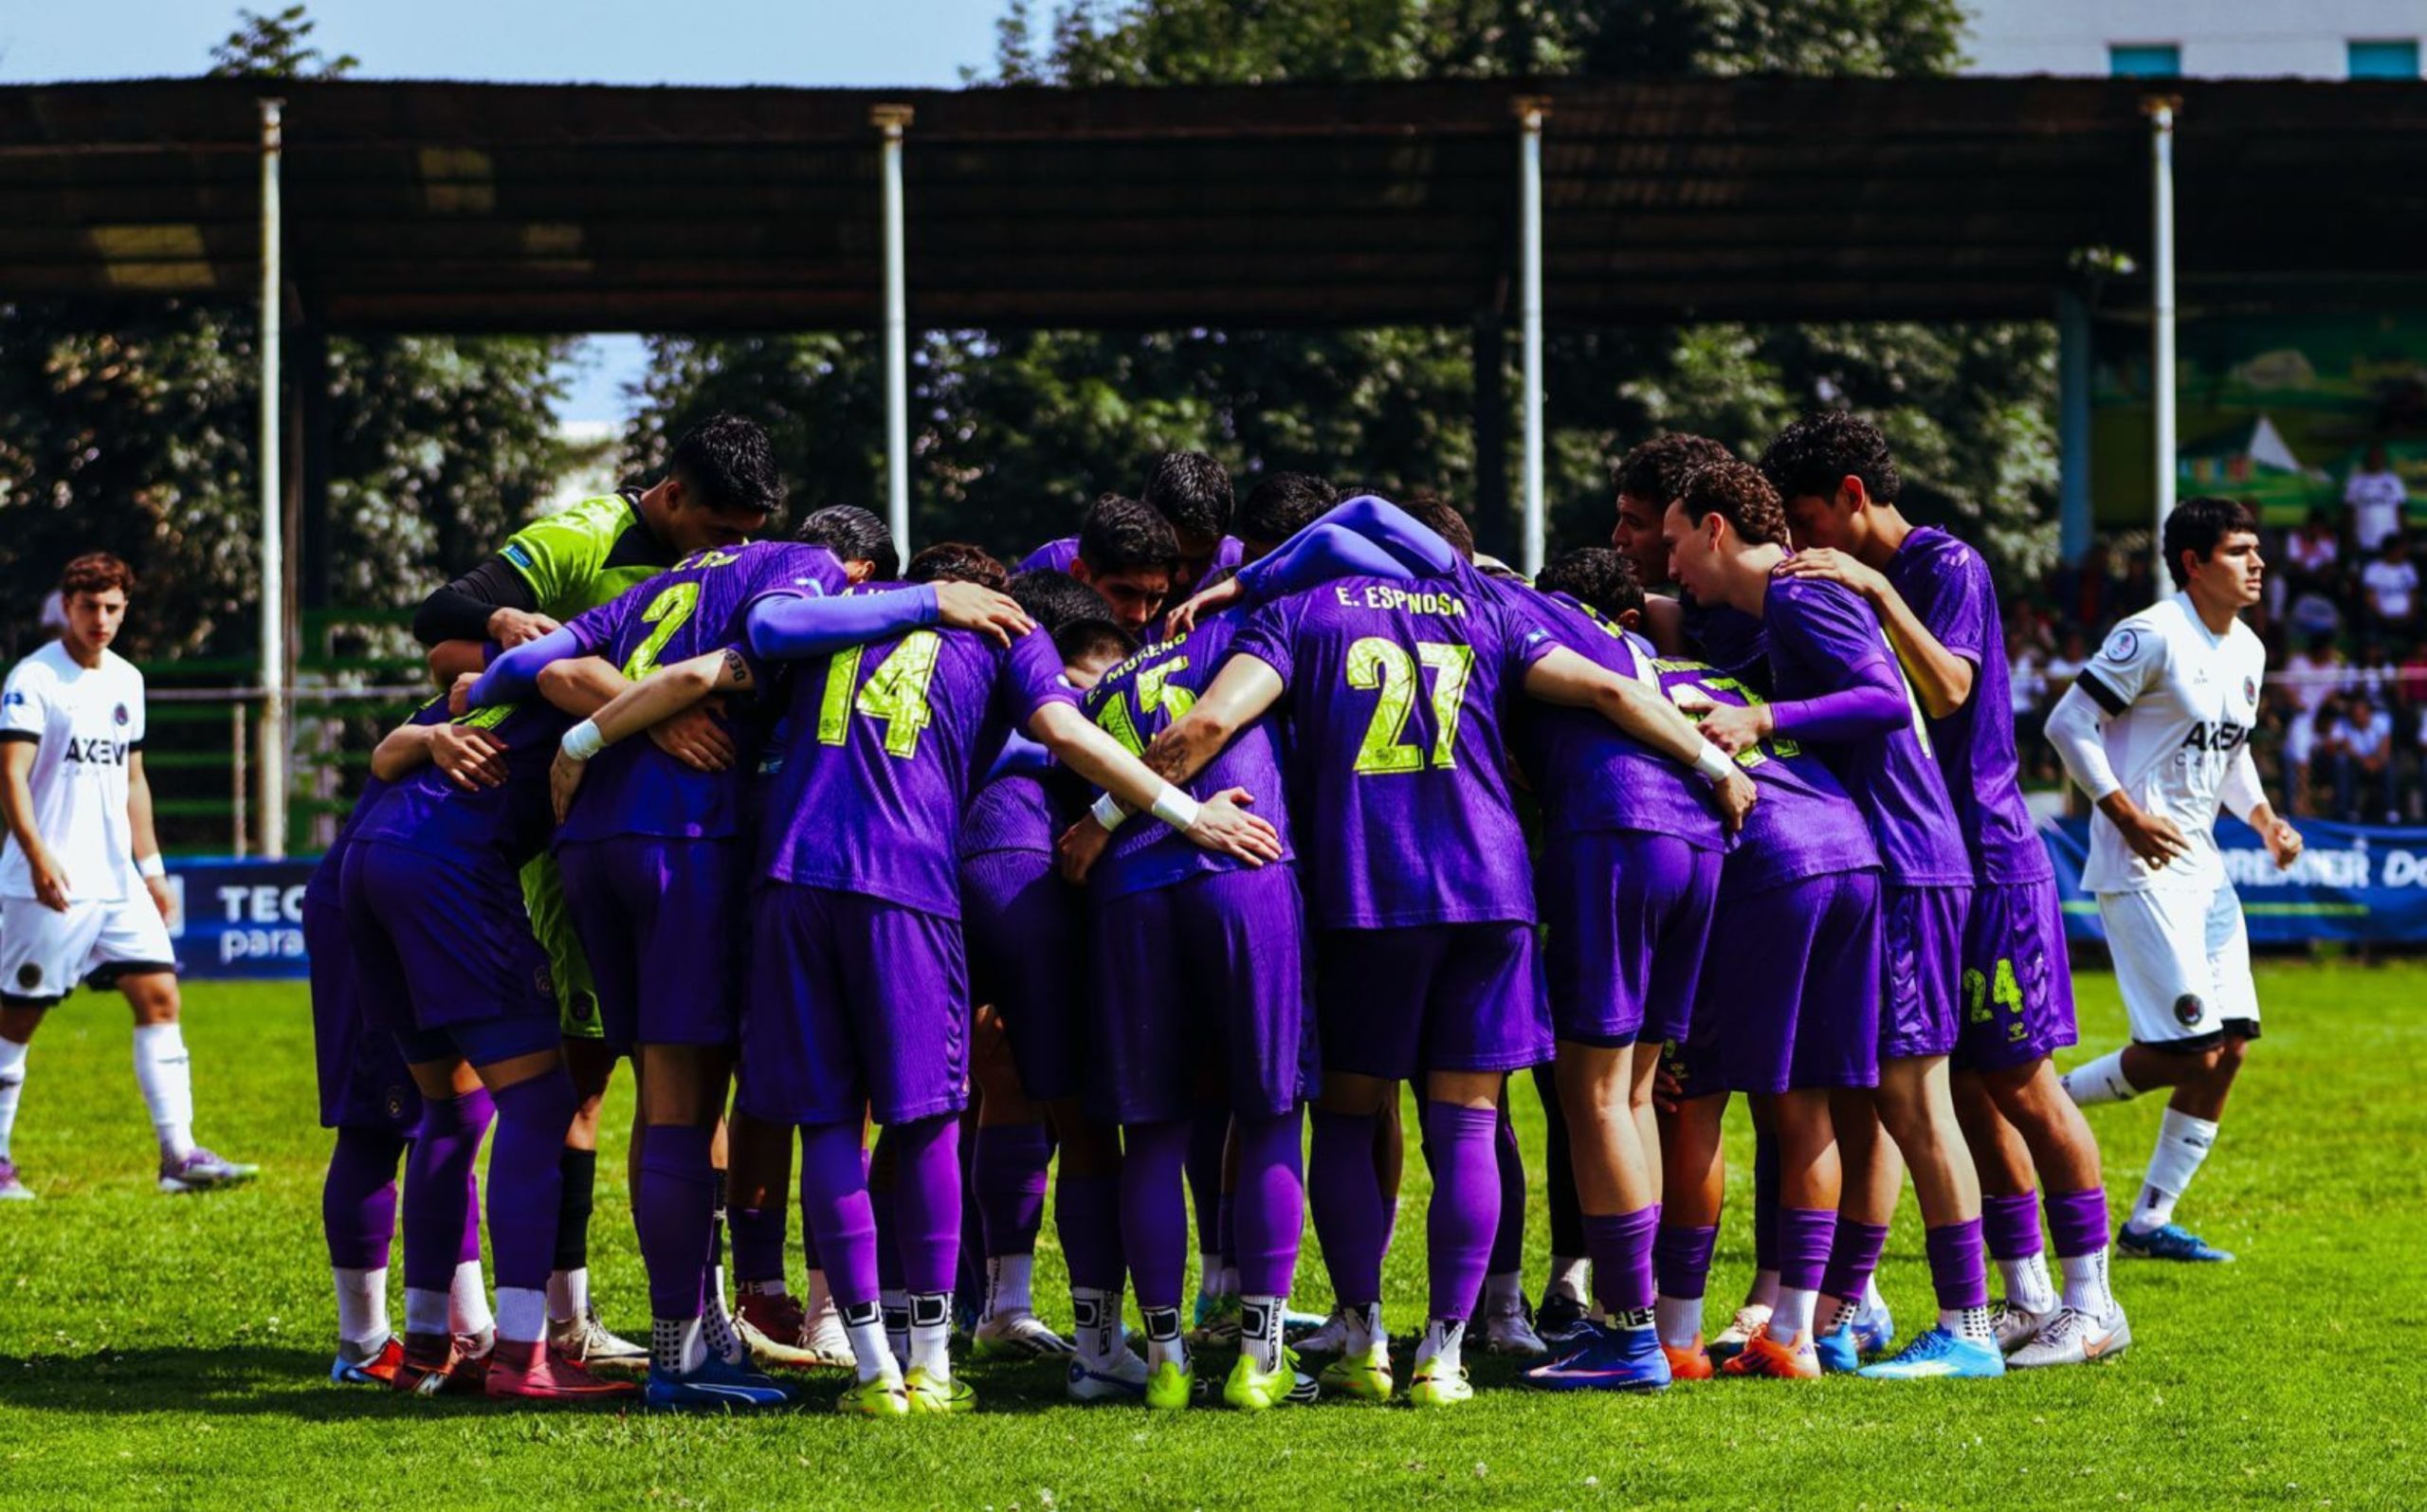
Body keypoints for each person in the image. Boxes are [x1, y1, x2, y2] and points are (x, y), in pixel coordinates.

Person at [562, 541, 1281, 1416]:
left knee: (830, 1119)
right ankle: (952, 1362)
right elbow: (1064, 730)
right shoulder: (1003, 629)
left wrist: (586, 738)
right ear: (991, 592)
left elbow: (713, 662)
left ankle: (871, 1366)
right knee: (948, 1116)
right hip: (907, 878)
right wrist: (1183, 811)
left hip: (785, 882)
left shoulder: (827, 624)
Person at [1133, 497, 1753, 1408]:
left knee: (1351, 1116)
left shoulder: (1301, 608)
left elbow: (1211, 727)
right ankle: (1448, 1356)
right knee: (1466, 1124)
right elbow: (1617, 693)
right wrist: (1714, 763)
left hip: (1370, 891)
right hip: (1492, 892)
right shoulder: (1483, 605)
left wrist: (1117, 809)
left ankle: (1364, 1338)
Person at [411, 413, 781, 1371]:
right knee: (581, 1080)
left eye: (746, 534)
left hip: (660, 841)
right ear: (669, 498)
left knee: (679, 1080)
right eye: (716, 530)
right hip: (572, 844)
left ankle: (683, 1312)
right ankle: (560, 1318)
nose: (728, 552)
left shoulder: (728, 574)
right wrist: (630, 714)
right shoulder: (584, 536)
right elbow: (444, 625)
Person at [1764, 410, 2128, 1368]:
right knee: (1964, 1086)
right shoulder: (1844, 575)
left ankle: (2095, 1300)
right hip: (1930, 860)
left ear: (1852, 497)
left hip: (1991, 852)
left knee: (2022, 1078)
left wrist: (1876, 587)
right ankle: (2025, 1295)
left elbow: (1947, 690)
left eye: (1807, 520)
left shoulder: (1946, 565)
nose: (1802, 547)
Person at [1668, 458, 2004, 1381]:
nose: (1671, 565)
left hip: (1905, 861)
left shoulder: (1796, 591)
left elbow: (1886, 697)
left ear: (1715, 529)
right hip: (1888, 859)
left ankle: (1967, 1326)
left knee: (1912, 1098)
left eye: (1671, 540)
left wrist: (1761, 714)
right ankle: (1840, 1311)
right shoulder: (1781, 601)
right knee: (1867, 1098)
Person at [345, 678, 635, 1402]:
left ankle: (424, 1347)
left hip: (372, 853)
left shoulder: (522, 671)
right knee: (541, 1104)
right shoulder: (607, 668)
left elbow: (422, 716)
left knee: (449, 1109)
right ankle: (521, 1352)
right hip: (448, 867)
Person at [2048, 496, 2304, 1264]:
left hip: (2203, 867)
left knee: (2230, 1049)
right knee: (2187, 1049)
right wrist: (2123, 812)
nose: (2256, 562)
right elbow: (2067, 723)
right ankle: (2038, 1107)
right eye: (2238, 550)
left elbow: (2230, 752)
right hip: (2140, 865)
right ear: (2193, 563)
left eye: (2257, 548)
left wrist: (2263, 820)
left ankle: (2150, 1222)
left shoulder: (2248, 650)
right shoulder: (2152, 633)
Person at [0, 553, 254, 1201]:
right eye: (90, 606)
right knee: (16, 1019)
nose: (102, 619)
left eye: (114, 607)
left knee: (161, 997)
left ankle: (178, 1154)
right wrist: (35, 852)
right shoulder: (34, 679)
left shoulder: (127, 681)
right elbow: (11, 774)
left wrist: (152, 868)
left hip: (116, 883)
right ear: (67, 604)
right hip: (47, 881)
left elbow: (133, 780)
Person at [307, 699, 496, 1386]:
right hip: (378, 909)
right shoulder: (510, 674)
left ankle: (471, 1326)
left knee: (459, 1118)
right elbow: (391, 745)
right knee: (380, 1123)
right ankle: (362, 1346)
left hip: (442, 905)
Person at [1022, 451, 1243, 598]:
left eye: (1199, 561)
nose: (1182, 577)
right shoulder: (1056, 565)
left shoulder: (1241, 564)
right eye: (1172, 559)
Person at [2326, 690, 2398, 823]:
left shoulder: (2382, 720)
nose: (2358, 718)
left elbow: (2385, 747)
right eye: (2355, 715)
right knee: (2345, 767)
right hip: (2357, 763)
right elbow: (2347, 748)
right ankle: (2350, 811)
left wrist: (2376, 761)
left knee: (2389, 767)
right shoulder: (2345, 725)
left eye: (2361, 714)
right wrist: (2363, 761)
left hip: (2378, 762)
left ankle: (2391, 811)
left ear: (2368, 714)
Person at [2344, 443, 2407, 555]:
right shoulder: (2356, 481)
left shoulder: (2394, 480)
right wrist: (2351, 536)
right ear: (2367, 459)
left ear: (2384, 459)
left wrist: (2402, 537)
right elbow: (2349, 511)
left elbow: (2400, 510)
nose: (2376, 460)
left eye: (2379, 457)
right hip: (2363, 539)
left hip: (2389, 541)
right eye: (2373, 457)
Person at [2363, 534, 2418, 638]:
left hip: (2407, 618)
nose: (2404, 553)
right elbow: (2370, 597)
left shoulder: (2408, 567)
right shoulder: (2374, 569)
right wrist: (2383, 616)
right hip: (2381, 619)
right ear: (2391, 550)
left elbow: (2413, 594)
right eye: (2401, 549)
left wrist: (2410, 614)